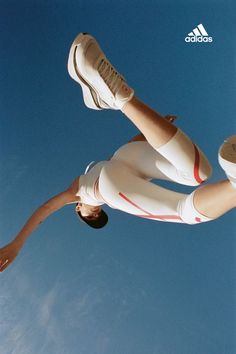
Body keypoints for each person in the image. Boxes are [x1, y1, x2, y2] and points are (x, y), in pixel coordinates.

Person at [0, 33, 235, 273]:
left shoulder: (78, 192)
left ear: (77, 210)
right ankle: (123, 99)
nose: (95, 212)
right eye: (98, 214)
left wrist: (17, 244)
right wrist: (154, 126)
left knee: (184, 212)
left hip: (110, 183)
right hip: (124, 157)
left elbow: (46, 209)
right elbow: (131, 147)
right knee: (198, 173)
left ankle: (235, 185)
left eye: (89, 216)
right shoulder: (96, 178)